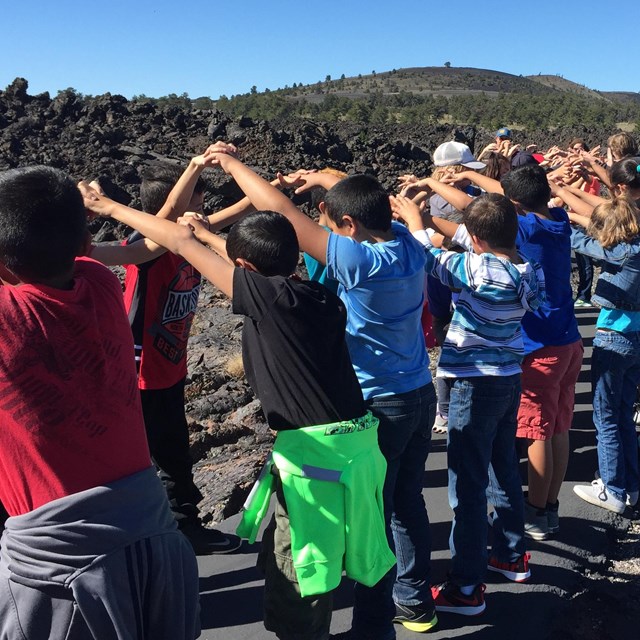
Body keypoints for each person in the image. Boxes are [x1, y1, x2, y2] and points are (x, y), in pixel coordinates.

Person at [80, 152, 395, 640]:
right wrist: (210, 235)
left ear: (244, 269)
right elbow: (213, 249)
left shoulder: (269, 301)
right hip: (356, 445)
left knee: (302, 568)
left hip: (318, 459)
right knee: (340, 550)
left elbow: (178, 243)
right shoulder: (317, 295)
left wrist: (108, 207)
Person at [0, 166, 200, 639]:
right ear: (84, 242)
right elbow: (133, 248)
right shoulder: (102, 282)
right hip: (153, 536)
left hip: (60, 570)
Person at [266, 165, 439, 637]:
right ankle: (415, 602)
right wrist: (325, 179)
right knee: (407, 504)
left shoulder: (359, 261)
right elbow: (365, 206)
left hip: (381, 404)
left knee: (373, 520)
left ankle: (374, 627)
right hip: (420, 394)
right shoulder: (409, 245)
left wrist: (230, 164)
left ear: (348, 225)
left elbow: (281, 211)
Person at [391, 192, 545, 616]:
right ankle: (511, 555)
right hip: (509, 378)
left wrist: (415, 221)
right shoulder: (525, 267)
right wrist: (431, 220)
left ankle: (467, 586)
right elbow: (473, 241)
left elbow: (430, 259)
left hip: (475, 386)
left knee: (468, 488)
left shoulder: (478, 268)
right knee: (502, 470)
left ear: (476, 240)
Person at [95, 154, 242, 555]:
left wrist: (272, 189)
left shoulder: (187, 239)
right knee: (161, 456)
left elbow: (229, 216)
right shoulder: (146, 247)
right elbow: (166, 218)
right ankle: (170, 532)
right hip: (142, 371)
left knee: (172, 451)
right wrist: (194, 167)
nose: (203, 211)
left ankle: (180, 528)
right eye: (197, 201)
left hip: (170, 367)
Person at [569, 197, 640, 512]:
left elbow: (580, 242)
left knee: (605, 416)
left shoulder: (622, 252)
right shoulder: (635, 247)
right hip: (635, 339)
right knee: (622, 414)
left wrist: (558, 220)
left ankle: (612, 489)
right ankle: (631, 486)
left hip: (614, 338)